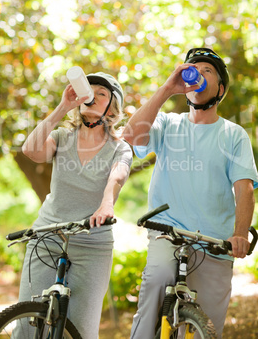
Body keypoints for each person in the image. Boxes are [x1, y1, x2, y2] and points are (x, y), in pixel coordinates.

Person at [122, 48, 258, 338]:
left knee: (208, 325)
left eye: (207, 70)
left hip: (215, 242)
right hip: (167, 233)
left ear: (220, 89)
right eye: (193, 68)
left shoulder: (233, 134)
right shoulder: (168, 123)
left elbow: (244, 188)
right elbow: (130, 137)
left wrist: (240, 233)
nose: (197, 72)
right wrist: (167, 89)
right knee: (156, 280)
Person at [20, 71, 133, 338]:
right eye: (88, 91)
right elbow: (31, 150)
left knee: (80, 330)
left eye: (101, 93)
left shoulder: (120, 147)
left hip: (93, 243)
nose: (92, 95)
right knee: (26, 324)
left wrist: (107, 204)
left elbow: (117, 176)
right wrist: (63, 106)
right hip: (47, 234)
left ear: (112, 107)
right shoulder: (61, 137)